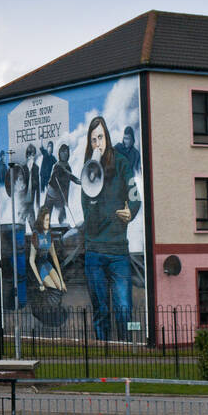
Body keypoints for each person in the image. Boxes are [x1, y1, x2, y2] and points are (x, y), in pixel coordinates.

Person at [80, 117, 140, 340]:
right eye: (93, 139)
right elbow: (89, 218)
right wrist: (93, 190)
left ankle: (129, 347)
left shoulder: (122, 163)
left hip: (118, 252)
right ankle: (102, 353)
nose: (98, 143)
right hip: (94, 252)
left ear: (107, 137)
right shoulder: (88, 170)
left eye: (101, 137)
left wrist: (131, 211)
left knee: (125, 307)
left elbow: (135, 196)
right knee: (101, 310)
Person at [43, 142, 80, 226]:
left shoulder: (68, 167)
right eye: (62, 152)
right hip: (50, 195)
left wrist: (65, 200)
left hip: (59, 197)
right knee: (46, 217)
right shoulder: (57, 166)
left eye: (66, 152)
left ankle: (63, 233)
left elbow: (69, 181)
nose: (64, 154)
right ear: (59, 153)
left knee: (62, 217)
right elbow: (54, 179)